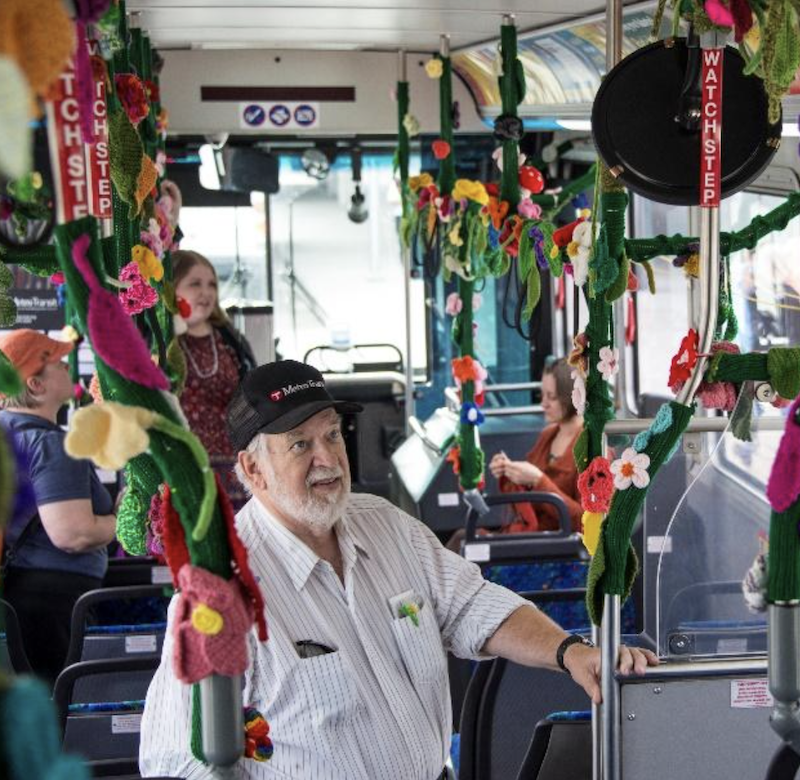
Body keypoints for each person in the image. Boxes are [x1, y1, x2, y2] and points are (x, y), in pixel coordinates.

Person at [139, 361, 656, 779]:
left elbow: (475, 607)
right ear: (252, 469)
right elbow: (176, 761)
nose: (328, 458)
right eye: (300, 444)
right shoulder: (220, 590)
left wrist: (570, 653)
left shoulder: (385, 525)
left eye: (333, 436)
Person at [0, 329, 116, 681]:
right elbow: (73, 534)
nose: (68, 367)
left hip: (13, 596)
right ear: (35, 385)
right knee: (65, 713)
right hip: (54, 601)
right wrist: (121, 519)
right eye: (59, 363)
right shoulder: (50, 445)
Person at [173, 250, 257, 509]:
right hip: (183, 469)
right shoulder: (160, 339)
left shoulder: (230, 339)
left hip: (234, 470)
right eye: (195, 283)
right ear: (172, 287)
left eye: (211, 284)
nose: (205, 292)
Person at [489, 357, 585, 533]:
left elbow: (587, 524)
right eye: (542, 396)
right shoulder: (548, 435)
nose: (543, 404)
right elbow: (525, 502)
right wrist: (510, 473)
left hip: (554, 545)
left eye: (552, 397)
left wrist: (539, 481)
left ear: (572, 398)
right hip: (531, 534)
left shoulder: (591, 448)